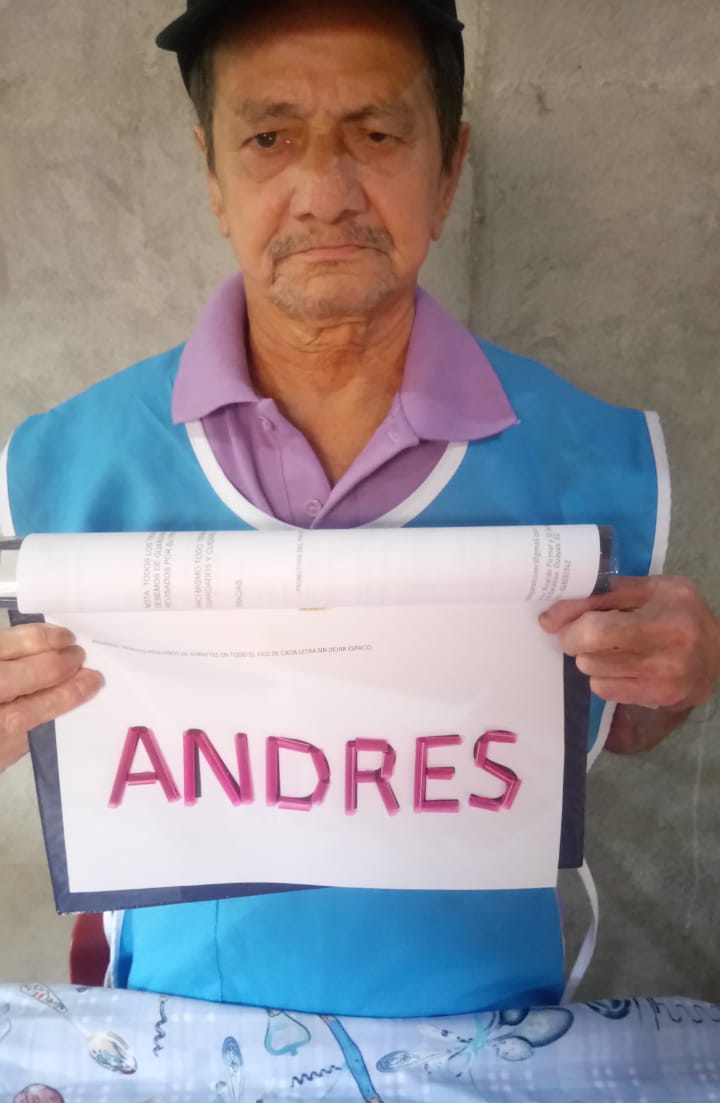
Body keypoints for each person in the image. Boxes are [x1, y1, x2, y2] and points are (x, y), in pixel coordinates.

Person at [1, 0, 718, 1014]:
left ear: (449, 168)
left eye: (376, 134)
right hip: (180, 1032)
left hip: (487, 1034)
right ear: (213, 174)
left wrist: (677, 681)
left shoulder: (592, 456)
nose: (326, 193)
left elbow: (611, 728)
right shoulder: (64, 465)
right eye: (269, 138)